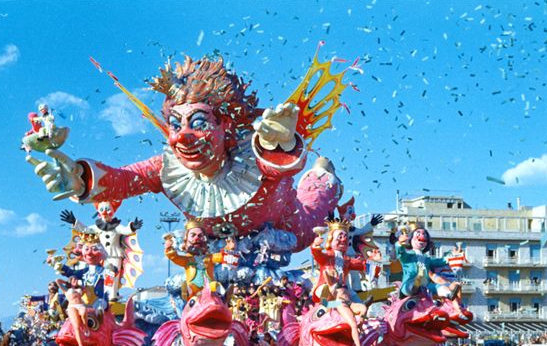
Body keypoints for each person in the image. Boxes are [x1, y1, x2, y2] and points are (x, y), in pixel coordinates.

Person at [27, 56, 345, 252]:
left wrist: (281, 142)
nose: (181, 136)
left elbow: (277, 166)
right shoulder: (168, 167)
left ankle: (323, 176)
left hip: (285, 227)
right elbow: (125, 180)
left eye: (198, 123)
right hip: (215, 253)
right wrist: (81, 180)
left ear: (226, 126)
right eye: (175, 124)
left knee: (312, 211)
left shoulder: (252, 153)